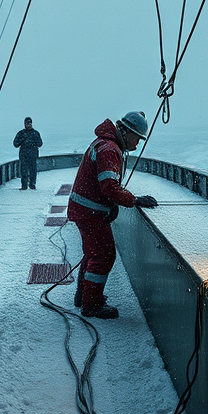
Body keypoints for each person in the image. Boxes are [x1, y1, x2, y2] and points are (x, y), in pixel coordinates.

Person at [68, 111, 158, 319]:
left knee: (92, 253)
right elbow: (108, 186)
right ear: (125, 132)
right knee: (103, 255)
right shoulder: (109, 149)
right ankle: (92, 304)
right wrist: (133, 200)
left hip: (87, 210)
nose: (137, 145)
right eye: (136, 138)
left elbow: (105, 188)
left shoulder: (105, 144)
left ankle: (84, 295)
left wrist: (111, 205)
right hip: (89, 213)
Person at [12, 116, 43, 190]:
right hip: (24, 155)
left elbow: (40, 143)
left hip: (32, 155)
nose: (27, 125)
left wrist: (32, 142)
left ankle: (32, 184)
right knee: (24, 170)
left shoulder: (35, 133)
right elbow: (15, 144)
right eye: (26, 123)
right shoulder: (21, 133)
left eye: (28, 123)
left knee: (32, 170)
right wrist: (23, 140)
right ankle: (24, 186)